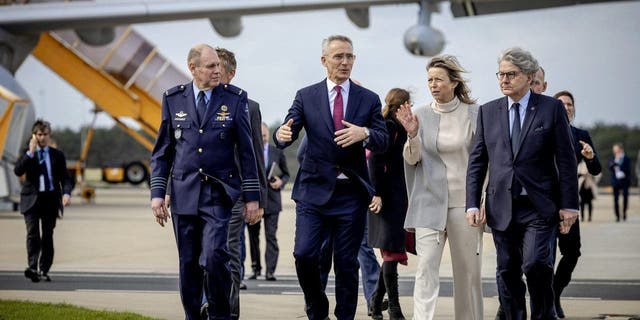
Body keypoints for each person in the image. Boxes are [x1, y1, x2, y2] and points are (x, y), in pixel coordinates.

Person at [274, 34, 388, 320]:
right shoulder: (306, 95)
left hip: (351, 193)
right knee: (304, 255)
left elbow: (383, 139)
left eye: (350, 56)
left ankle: (345, 316)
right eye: (339, 56)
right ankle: (317, 307)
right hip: (313, 191)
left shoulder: (369, 99)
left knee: (347, 264)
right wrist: (280, 135)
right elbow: (288, 129)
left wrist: (365, 133)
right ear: (324, 60)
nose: (345, 62)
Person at [466, 47, 579, 319]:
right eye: (501, 74)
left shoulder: (550, 108)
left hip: (539, 205)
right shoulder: (488, 111)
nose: (504, 80)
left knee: (536, 263)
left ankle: (544, 314)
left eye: (511, 74)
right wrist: (471, 203)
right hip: (501, 205)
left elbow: (566, 159)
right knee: (507, 269)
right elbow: (478, 161)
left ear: (529, 77)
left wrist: (570, 205)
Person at [149, 43, 261, 320]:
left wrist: (252, 199)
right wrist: (157, 193)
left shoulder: (235, 99)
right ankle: (193, 316)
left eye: (218, 66)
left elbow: (248, 153)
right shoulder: (173, 99)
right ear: (193, 68)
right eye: (211, 66)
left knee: (214, 257)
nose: (217, 70)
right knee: (188, 264)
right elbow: (162, 152)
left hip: (218, 194)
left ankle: (221, 314)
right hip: (184, 193)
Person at [397, 55, 483, 320]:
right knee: (425, 270)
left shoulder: (475, 113)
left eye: (438, 80)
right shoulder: (420, 115)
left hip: (464, 204)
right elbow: (412, 159)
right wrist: (412, 135)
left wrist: (481, 201)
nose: (433, 85)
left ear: (454, 83)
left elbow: (484, 160)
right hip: (429, 203)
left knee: (467, 273)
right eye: (430, 80)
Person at [213, 47, 268, 320]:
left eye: (217, 68)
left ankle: (229, 311)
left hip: (233, 195)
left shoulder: (249, 107)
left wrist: (258, 200)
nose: (211, 72)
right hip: (201, 193)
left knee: (229, 251)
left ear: (230, 74)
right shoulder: (193, 102)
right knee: (204, 255)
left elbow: (255, 155)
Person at [552, 90, 601, 318]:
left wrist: (590, 157)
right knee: (544, 257)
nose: (566, 107)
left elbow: (596, 169)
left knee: (572, 253)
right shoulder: (544, 132)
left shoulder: (580, 135)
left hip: (570, 204)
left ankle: (555, 292)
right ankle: (545, 302)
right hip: (544, 204)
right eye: (560, 104)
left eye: (570, 104)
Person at [368, 88, 411, 320]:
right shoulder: (388, 127)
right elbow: (375, 162)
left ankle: (376, 304)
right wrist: (377, 193)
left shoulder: (400, 126)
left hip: (398, 197)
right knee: (390, 252)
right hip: (386, 198)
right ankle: (394, 307)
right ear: (403, 104)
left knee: (392, 250)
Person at [14, 119, 74, 283]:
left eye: (45, 134)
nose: (42, 137)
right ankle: (32, 267)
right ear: (34, 135)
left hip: (50, 200)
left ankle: (44, 269)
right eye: (39, 134)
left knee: (47, 235)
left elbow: (66, 178)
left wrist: (66, 193)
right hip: (31, 200)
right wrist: (30, 153)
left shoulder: (57, 155)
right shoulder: (27, 153)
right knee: (33, 233)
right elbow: (18, 170)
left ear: (49, 135)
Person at [248, 122, 290, 281]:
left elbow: (286, 174)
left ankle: (270, 271)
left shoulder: (276, 151)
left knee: (271, 236)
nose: (263, 138)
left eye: (265, 135)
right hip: (254, 201)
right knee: (253, 237)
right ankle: (255, 268)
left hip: (272, 200)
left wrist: (281, 181)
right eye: (260, 135)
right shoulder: (250, 150)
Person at [609, 142, 631, 222]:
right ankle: (617, 216)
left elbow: (628, 169)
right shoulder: (613, 158)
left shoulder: (626, 158)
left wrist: (623, 173)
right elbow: (610, 167)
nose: (615, 151)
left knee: (625, 197)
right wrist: (616, 161)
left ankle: (624, 212)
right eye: (614, 150)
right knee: (616, 199)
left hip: (625, 181)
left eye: (616, 149)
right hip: (615, 181)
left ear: (621, 149)